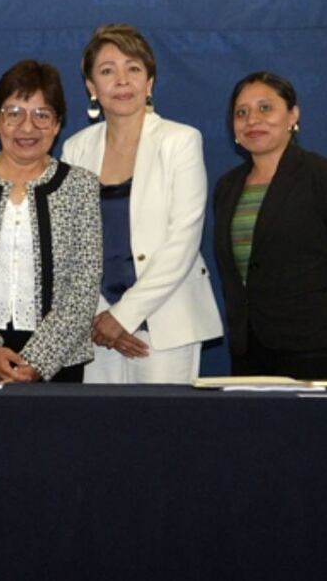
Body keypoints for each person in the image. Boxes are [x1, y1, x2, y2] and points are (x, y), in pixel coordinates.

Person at [62, 24, 222, 384]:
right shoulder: (76, 148)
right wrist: (106, 320)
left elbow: (183, 241)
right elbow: (72, 245)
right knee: (100, 436)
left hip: (166, 322)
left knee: (160, 437)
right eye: (107, 71)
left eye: (133, 68)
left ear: (149, 82)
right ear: (91, 88)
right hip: (97, 327)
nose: (122, 81)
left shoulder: (180, 141)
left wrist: (125, 316)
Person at [0, 60, 101, 382]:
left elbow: (84, 281)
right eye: (14, 113)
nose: (27, 127)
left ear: (57, 124)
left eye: (42, 115)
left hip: (59, 359)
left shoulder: (80, 186)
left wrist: (39, 359)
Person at [213, 71, 327, 382]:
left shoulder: (325, 178)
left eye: (266, 108)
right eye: (241, 112)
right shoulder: (227, 187)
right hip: (248, 353)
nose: (252, 120)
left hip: (316, 350)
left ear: (293, 115)